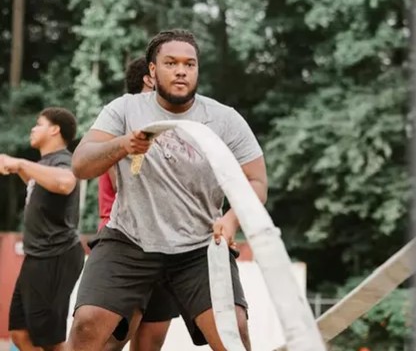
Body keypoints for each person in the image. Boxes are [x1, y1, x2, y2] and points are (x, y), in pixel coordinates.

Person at [65, 29, 267, 351]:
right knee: (88, 322)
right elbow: (81, 165)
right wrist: (123, 144)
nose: (181, 70)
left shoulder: (224, 119)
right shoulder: (124, 109)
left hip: (199, 246)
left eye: (190, 64)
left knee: (234, 331)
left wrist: (230, 221)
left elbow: (256, 182)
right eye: (171, 63)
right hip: (130, 240)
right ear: (152, 71)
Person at [95, 56, 178, 351]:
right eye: (169, 68)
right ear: (150, 77)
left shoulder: (174, 123)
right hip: (127, 242)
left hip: (167, 244)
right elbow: (126, 185)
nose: (179, 76)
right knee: (108, 343)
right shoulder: (123, 118)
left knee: (149, 344)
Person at [1, 108, 84, 351]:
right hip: (36, 256)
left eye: (38, 124)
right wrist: (18, 168)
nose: (33, 129)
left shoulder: (64, 161)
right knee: (20, 332)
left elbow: (65, 182)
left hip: (56, 255)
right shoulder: (44, 165)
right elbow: (39, 183)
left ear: (54, 129)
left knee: (51, 341)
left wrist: (20, 162)